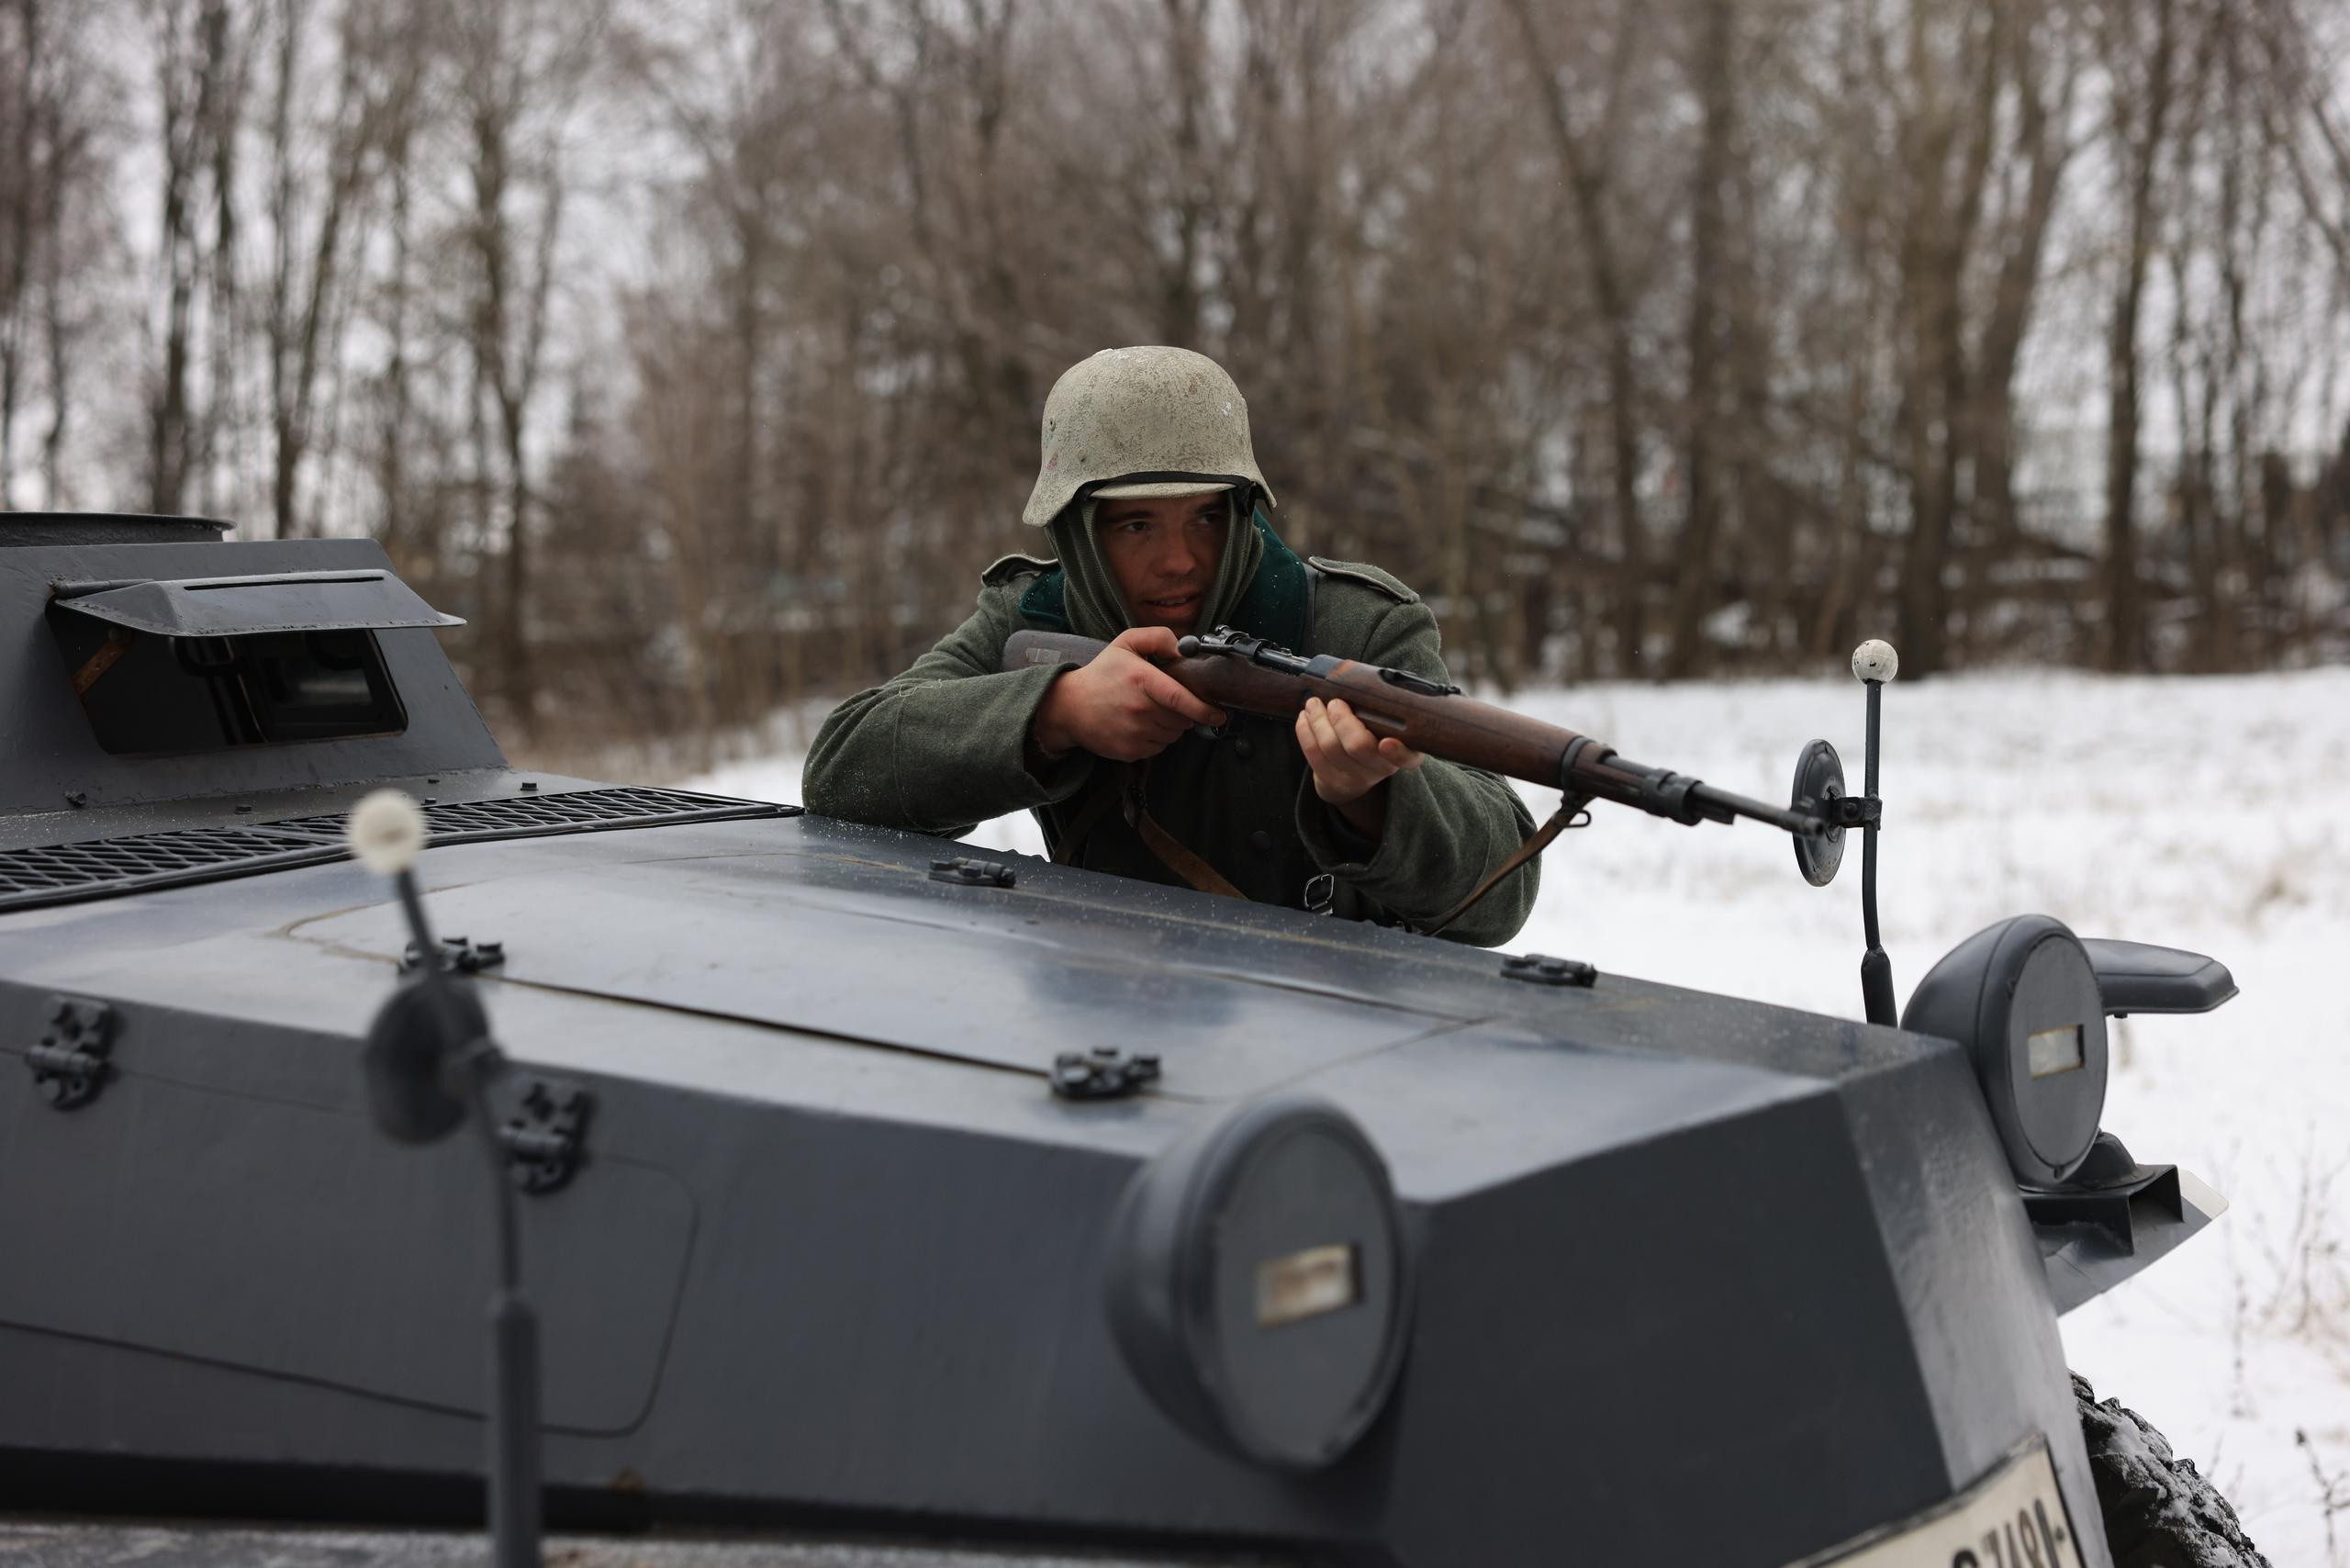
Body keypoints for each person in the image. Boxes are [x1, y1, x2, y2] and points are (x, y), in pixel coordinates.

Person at [801, 345, 1539, 946]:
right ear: (1076, 534)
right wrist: (1054, 713)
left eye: (1207, 519)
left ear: (1243, 512)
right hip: (1105, 1006)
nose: (1180, 559)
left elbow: (1500, 897)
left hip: (1335, 1024)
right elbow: (842, 776)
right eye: (1137, 526)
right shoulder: (1034, 615)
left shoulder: (1357, 626)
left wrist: (1374, 801)